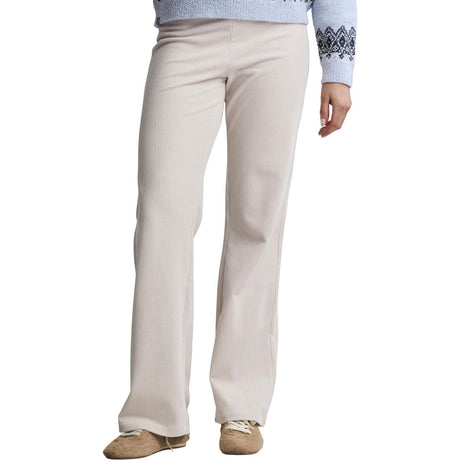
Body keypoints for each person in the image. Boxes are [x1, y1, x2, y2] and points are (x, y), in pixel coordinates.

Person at [103, 0, 357, 457]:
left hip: (277, 39)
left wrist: (337, 68)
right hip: (184, 33)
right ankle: (154, 416)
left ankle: (243, 407)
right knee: (162, 217)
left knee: (257, 219)